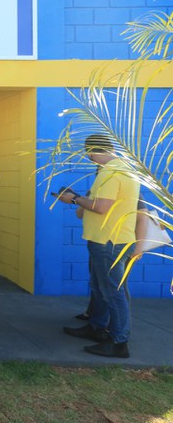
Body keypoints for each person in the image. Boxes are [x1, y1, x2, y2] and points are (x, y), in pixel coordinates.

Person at [59, 134, 139, 358]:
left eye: (89, 154)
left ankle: (119, 342)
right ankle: (96, 327)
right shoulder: (123, 168)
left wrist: (73, 199)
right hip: (110, 239)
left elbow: (101, 207)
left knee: (113, 292)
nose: (90, 159)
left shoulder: (110, 172)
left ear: (92, 151)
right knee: (101, 287)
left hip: (108, 241)